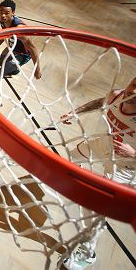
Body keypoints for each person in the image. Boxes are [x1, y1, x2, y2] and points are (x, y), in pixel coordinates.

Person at [60, 76, 136, 269]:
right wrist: (74, 112)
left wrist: (133, 152)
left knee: (95, 209)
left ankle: (87, 253)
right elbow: (100, 102)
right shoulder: (116, 95)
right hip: (103, 145)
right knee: (69, 158)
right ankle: (79, 184)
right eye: (134, 84)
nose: (134, 91)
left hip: (126, 167)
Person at [0, 0, 42, 101]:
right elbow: (4, 33)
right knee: (0, 62)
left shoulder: (20, 29)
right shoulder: (1, 19)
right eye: (1, 12)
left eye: (6, 13)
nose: (3, 15)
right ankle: (15, 70)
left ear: (13, 13)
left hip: (23, 54)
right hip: (12, 47)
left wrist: (37, 70)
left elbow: (33, 50)